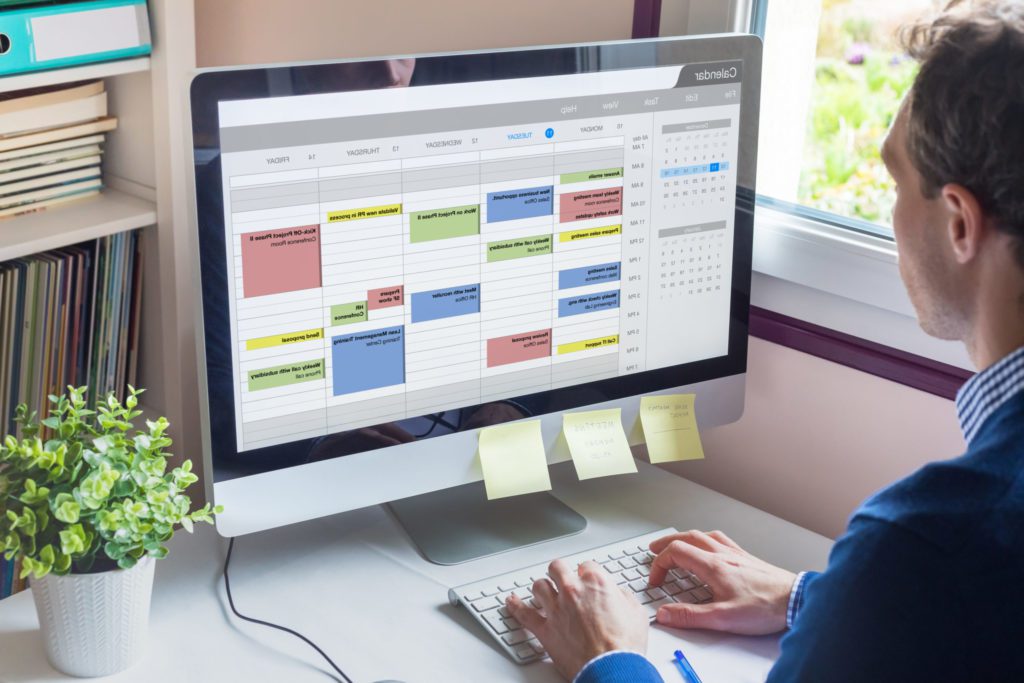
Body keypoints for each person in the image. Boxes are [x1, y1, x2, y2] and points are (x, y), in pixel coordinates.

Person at [506, 2, 1024, 680]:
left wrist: (613, 658)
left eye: (895, 181)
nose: (890, 214)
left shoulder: (925, 547)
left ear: (959, 221)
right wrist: (820, 599)